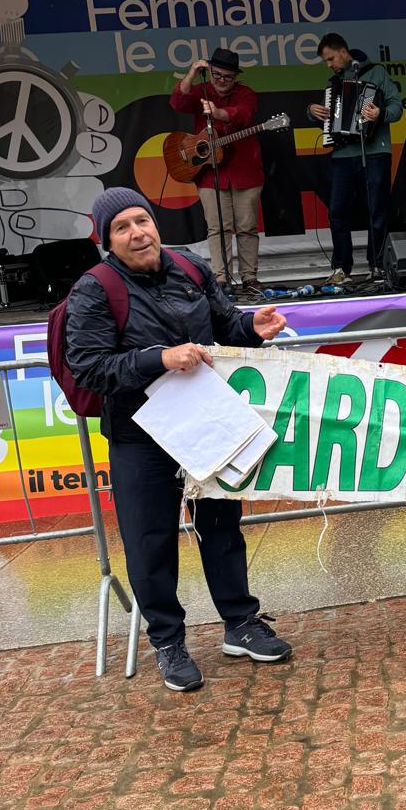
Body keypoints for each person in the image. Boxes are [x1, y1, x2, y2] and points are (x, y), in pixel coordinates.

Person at [65, 187, 292, 692]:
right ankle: (168, 642)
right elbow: (88, 367)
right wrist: (159, 358)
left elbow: (223, 322)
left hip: (205, 425)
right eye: (121, 227)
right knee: (150, 543)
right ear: (106, 240)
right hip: (139, 437)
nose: (137, 233)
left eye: (141, 220)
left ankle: (241, 624)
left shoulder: (189, 267)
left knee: (222, 526)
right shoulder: (94, 289)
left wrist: (251, 327)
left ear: (155, 222)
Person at [308, 34, 403, 285]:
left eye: (330, 58)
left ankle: (377, 265)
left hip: (374, 152)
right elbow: (328, 120)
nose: (329, 64)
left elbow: (397, 107)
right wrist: (313, 113)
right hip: (342, 154)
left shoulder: (376, 73)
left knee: (377, 210)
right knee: (337, 212)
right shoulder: (333, 84)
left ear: (343, 51)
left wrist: (380, 113)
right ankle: (341, 267)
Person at [170, 47, 264, 295]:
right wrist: (192, 72)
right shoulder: (202, 90)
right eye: (216, 75)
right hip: (210, 173)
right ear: (209, 72)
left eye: (227, 77)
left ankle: (249, 278)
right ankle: (221, 279)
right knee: (217, 228)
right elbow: (178, 101)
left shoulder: (246, 93)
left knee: (246, 227)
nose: (222, 81)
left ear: (236, 77)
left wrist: (218, 112)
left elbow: (243, 116)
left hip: (245, 170)